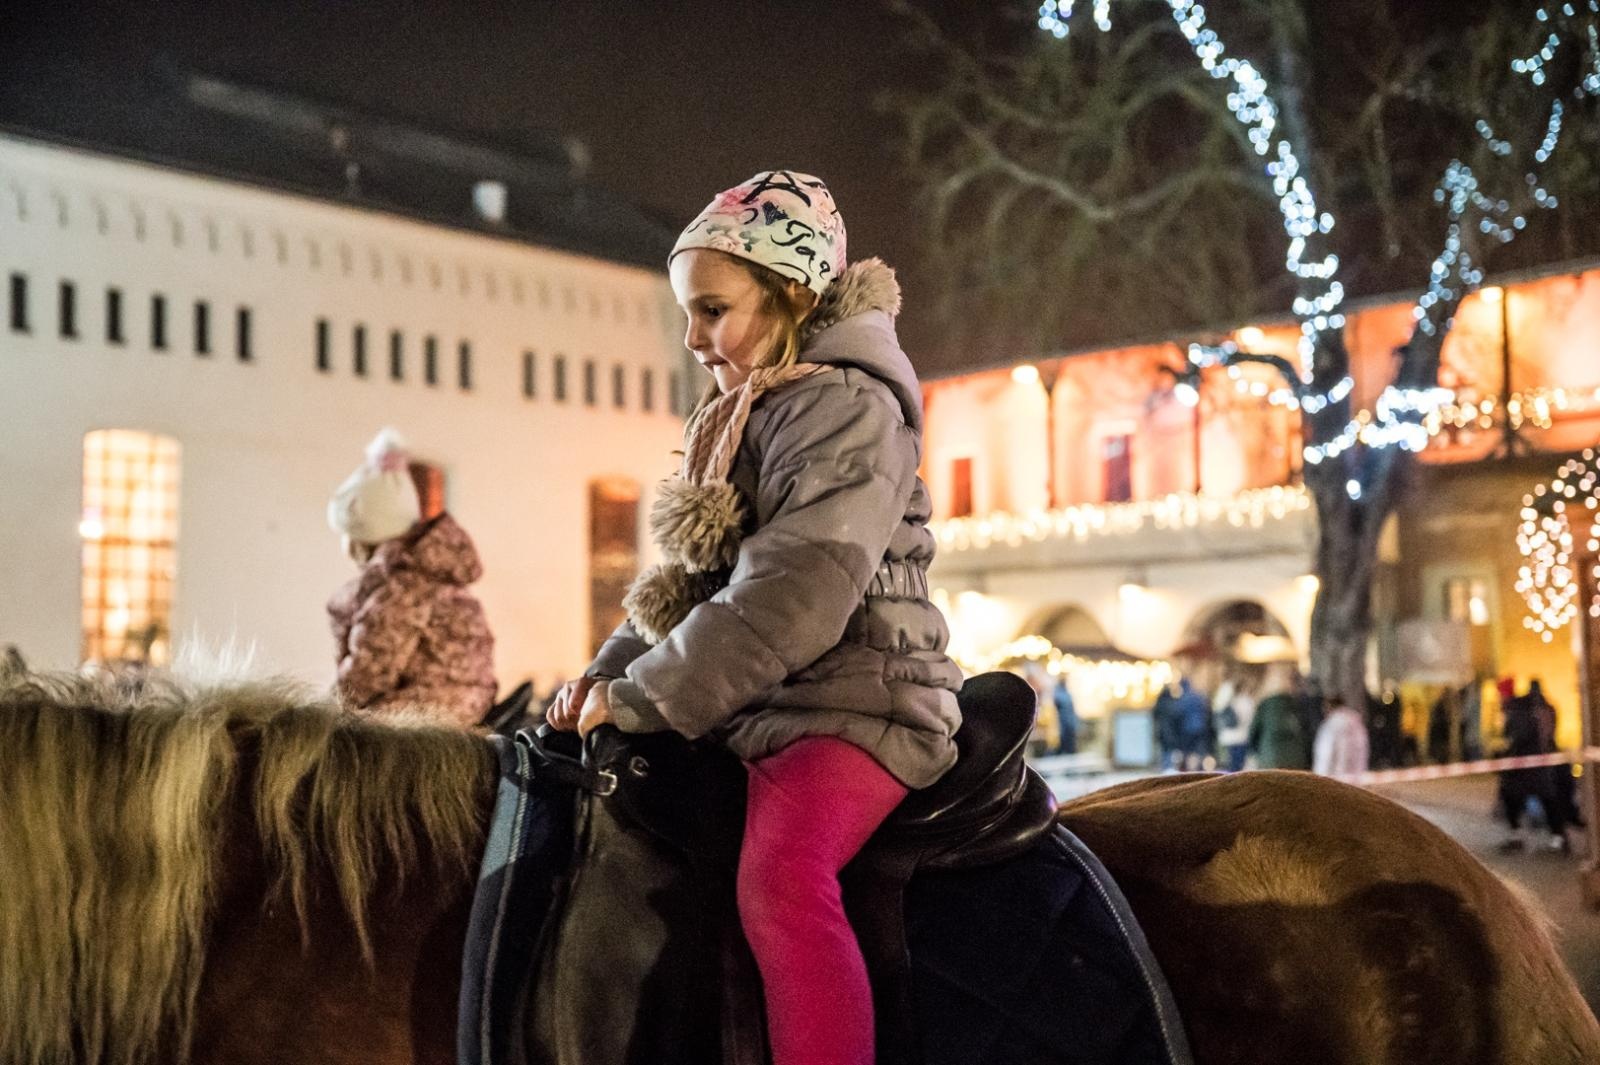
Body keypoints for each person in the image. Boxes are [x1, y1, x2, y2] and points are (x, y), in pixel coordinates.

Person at [544, 171, 962, 1065]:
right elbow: (687, 586)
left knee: (781, 878)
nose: (692, 339)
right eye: (684, 314)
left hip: (864, 706)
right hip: (773, 703)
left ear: (792, 293)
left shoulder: (846, 406)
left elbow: (795, 591)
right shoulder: (746, 410)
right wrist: (604, 676)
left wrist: (648, 697)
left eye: (712, 309)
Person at [326, 429, 497, 726]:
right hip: (455, 707)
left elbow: (368, 674)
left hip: (419, 722)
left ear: (365, 537)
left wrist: (319, 714)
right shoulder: (427, 573)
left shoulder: (401, 588)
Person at [1249, 668, 1312, 770]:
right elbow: (1307, 733)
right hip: (1296, 759)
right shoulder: (1298, 705)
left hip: (1270, 758)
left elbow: (1253, 734)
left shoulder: (1265, 705)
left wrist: (1259, 753)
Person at [1313, 697, 1370, 776]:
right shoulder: (1357, 723)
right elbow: (1363, 748)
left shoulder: (1331, 724)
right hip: (1355, 776)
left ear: (1329, 706)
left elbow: (1326, 753)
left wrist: (1320, 776)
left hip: (1334, 778)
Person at [1215, 675, 1257, 772]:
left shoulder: (1226, 701)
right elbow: (1250, 719)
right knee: (1237, 767)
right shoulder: (1246, 701)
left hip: (1226, 738)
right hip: (1241, 738)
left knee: (1228, 766)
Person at [1053, 675, 1079, 756]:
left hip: (1068, 723)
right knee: (1065, 744)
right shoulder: (1060, 693)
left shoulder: (1064, 693)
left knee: (1069, 744)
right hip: (1064, 723)